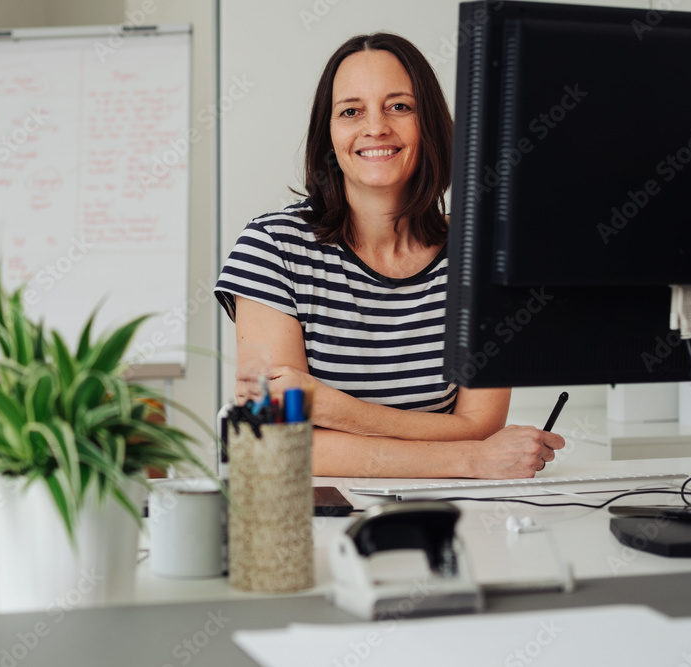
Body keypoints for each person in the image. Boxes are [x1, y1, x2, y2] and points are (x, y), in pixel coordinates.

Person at [214, 33, 563, 479]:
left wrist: (330, 409)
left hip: (459, 510)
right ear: (330, 134)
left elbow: (481, 426)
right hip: (316, 516)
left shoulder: (480, 253)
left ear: (429, 123)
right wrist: (467, 457)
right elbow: (273, 444)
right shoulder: (273, 248)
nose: (375, 127)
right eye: (350, 111)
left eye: (399, 106)